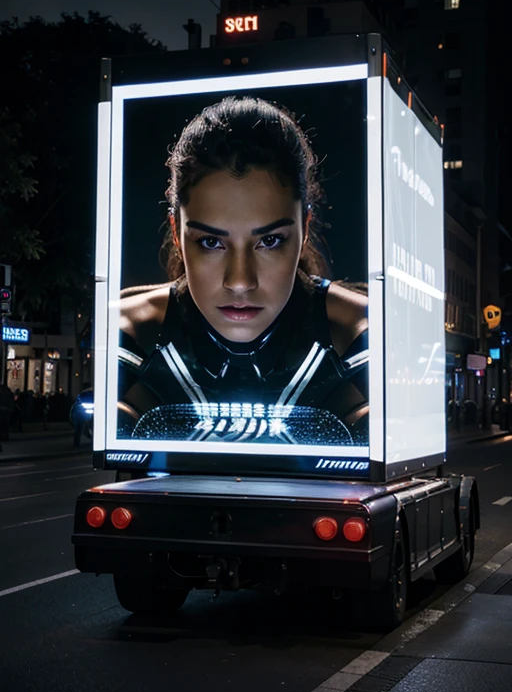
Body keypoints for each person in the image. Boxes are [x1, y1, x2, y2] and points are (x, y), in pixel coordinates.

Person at [117, 96, 368, 447]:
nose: (239, 282)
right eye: (210, 242)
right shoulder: (125, 332)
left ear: (305, 227)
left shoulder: (365, 336)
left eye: (269, 241)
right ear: (176, 232)